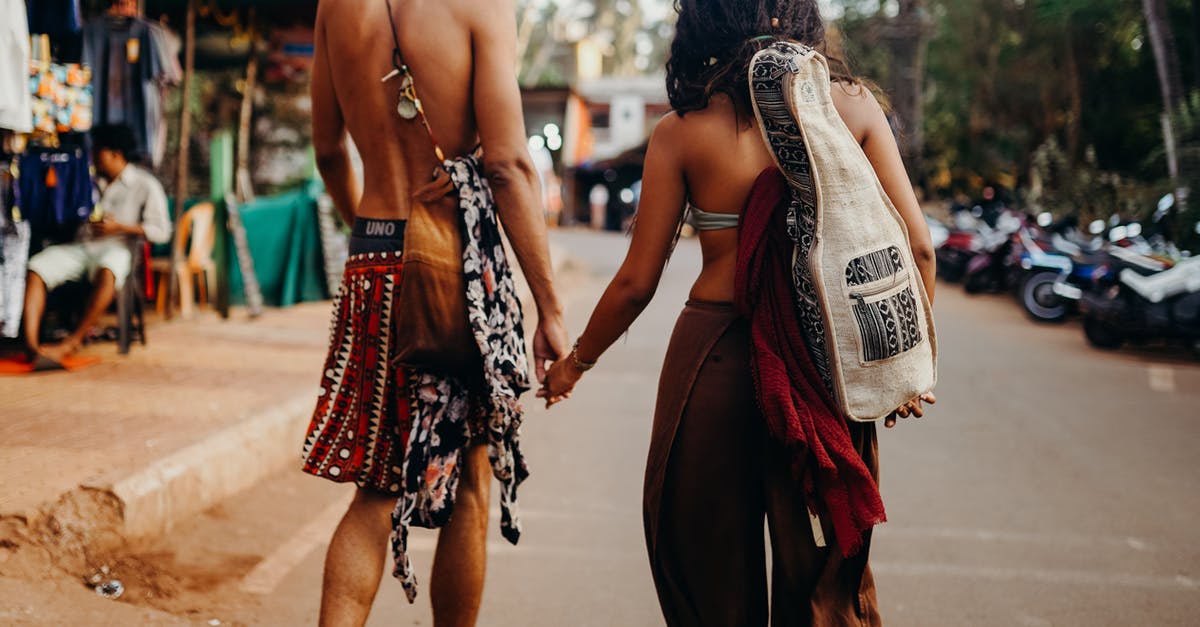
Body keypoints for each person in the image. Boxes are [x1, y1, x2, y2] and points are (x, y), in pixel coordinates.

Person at [540, 1, 936, 625]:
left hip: (711, 361)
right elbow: (917, 248)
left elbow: (636, 283)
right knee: (824, 577)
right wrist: (900, 367)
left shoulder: (681, 130)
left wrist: (575, 364)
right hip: (824, 365)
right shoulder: (853, 108)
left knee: (707, 564)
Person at [300, 1, 568, 626]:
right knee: (472, 480)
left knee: (375, 487)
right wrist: (549, 307)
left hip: (373, 253)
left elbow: (328, 150)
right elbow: (506, 164)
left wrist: (371, 234)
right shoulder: (480, 7)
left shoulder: (334, 6)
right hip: (453, 264)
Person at [23, 123, 170, 365]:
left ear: (115, 154)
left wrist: (120, 227)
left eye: (98, 152)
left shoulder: (145, 185)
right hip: (82, 247)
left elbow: (162, 231)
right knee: (37, 266)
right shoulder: (86, 180)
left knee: (108, 270)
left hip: (118, 249)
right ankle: (31, 345)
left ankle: (73, 342)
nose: (93, 157)